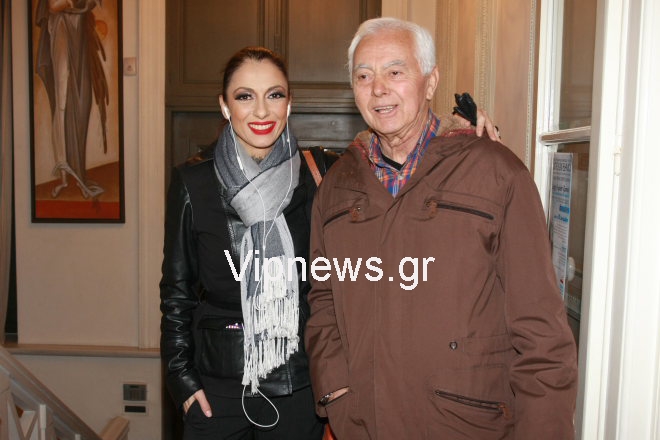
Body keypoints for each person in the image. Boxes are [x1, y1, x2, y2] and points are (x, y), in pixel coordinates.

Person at [160, 46, 498, 439]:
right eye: (245, 96)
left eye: (274, 95)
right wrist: (182, 382)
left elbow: (396, 154)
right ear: (224, 106)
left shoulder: (322, 171)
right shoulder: (193, 182)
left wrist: (458, 133)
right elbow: (176, 294)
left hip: (301, 385)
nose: (262, 111)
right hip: (218, 387)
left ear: (289, 103)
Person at [305, 17, 578, 440]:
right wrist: (336, 391)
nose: (378, 89)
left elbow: (540, 331)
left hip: (468, 427)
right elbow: (324, 299)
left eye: (396, 72)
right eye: (364, 76)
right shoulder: (336, 187)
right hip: (362, 425)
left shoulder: (497, 173)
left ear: (430, 82)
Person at [36, 0, 108, 199]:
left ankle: (79, 174)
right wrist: (71, 3)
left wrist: (74, 4)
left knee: (82, 105)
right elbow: (53, 6)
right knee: (62, 103)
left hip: (80, 39)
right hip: (62, 33)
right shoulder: (59, 22)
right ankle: (64, 176)